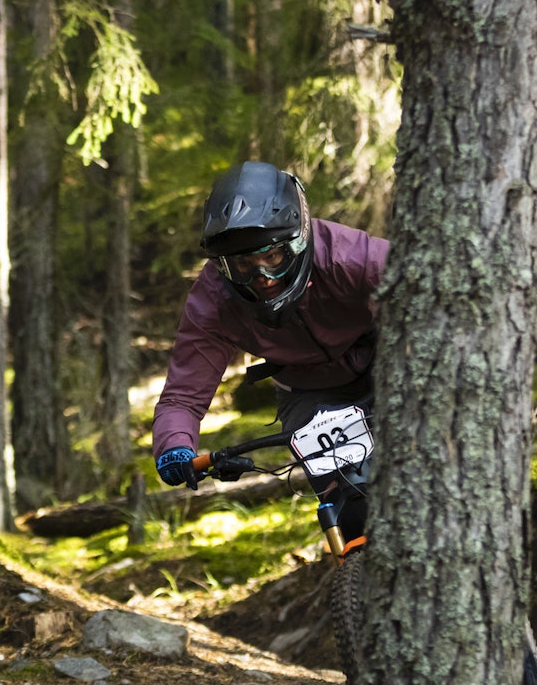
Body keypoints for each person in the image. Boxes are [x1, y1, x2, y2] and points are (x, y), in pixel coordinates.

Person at [153, 160, 389, 491]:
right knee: (346, 496)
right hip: (308, 392)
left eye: (272, 258)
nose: (261, 278)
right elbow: (182, 396)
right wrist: (174, 447)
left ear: (297, 241)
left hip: (384, 364)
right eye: (243, 265)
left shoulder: (347, 256)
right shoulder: (213, 301)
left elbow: (422, 287)